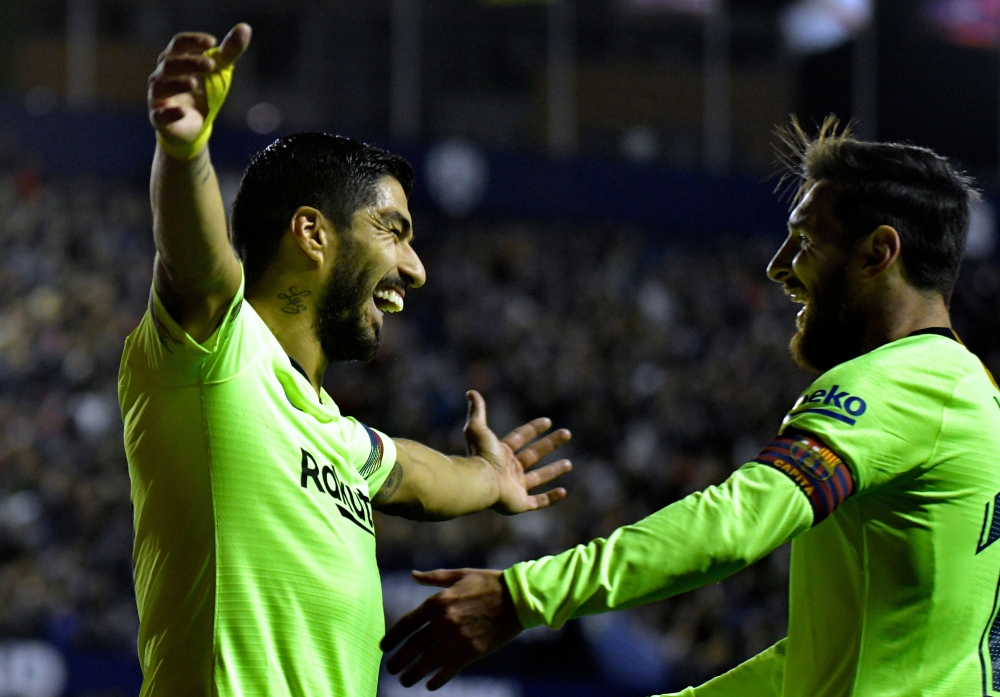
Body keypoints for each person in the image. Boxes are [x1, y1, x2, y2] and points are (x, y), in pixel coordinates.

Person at [380, 119, 1000, 696]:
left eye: (804, 240)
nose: (777, 265)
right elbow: (819, 661)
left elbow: (738, 521)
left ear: (878, 253)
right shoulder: (967, 389)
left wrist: (526, 595)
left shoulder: (901, 381)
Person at [119, 24, 573, 697]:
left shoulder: (334, 433)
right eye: (394, 232)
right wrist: (185, 153)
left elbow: (414, 474)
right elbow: (197, 261)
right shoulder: (219, 351)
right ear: (311, 233)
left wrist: (488, 477)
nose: (415, 269)